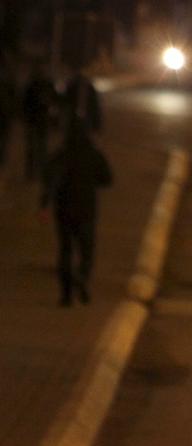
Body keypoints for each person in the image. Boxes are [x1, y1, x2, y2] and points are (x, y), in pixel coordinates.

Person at [41, 121, 113, 307]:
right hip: (86, 209)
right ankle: (81, 276)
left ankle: (66, 296)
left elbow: (48, 179)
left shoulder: (61, 155)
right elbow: (107, 179)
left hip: (63, 209)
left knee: (65, 249)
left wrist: (44, 205)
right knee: (86, 250)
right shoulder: (93, 155)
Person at [21, 62, 54, 180]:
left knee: (36, 148)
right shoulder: (41, 85)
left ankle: (33, 172)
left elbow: (24, 104)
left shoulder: (34, 85)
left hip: (36, 120)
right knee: (39, 148)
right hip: (38, 120)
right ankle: (36, 172)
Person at [61, 66, 101, 135]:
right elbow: (65, 104)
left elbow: (94, 106)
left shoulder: (88, 87)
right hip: (73, 120)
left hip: (84, 120)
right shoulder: (72, 86)